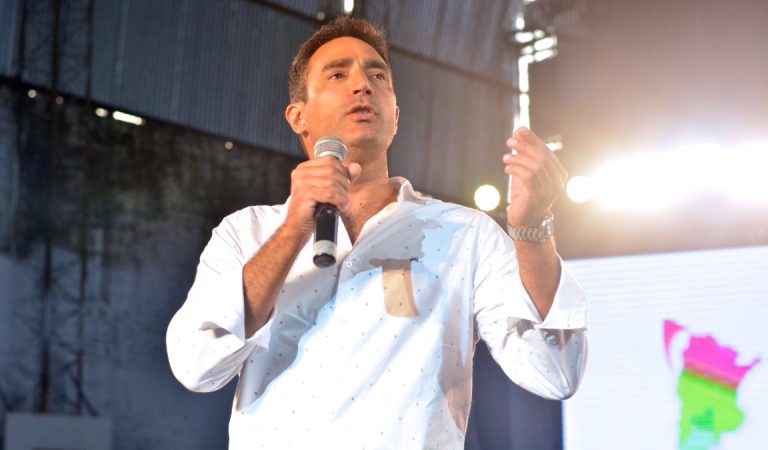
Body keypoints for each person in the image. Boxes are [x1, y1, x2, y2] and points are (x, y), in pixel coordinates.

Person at [166, 16, 587, 450]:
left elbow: (554, 371)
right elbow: (196, 365)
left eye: (378, 75)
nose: (362, 85)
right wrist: (294, 229)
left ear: (396, 115)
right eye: (337, 74)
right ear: (298, 116)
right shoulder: (246, 232)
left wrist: (532, 228)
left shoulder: (464, 234)